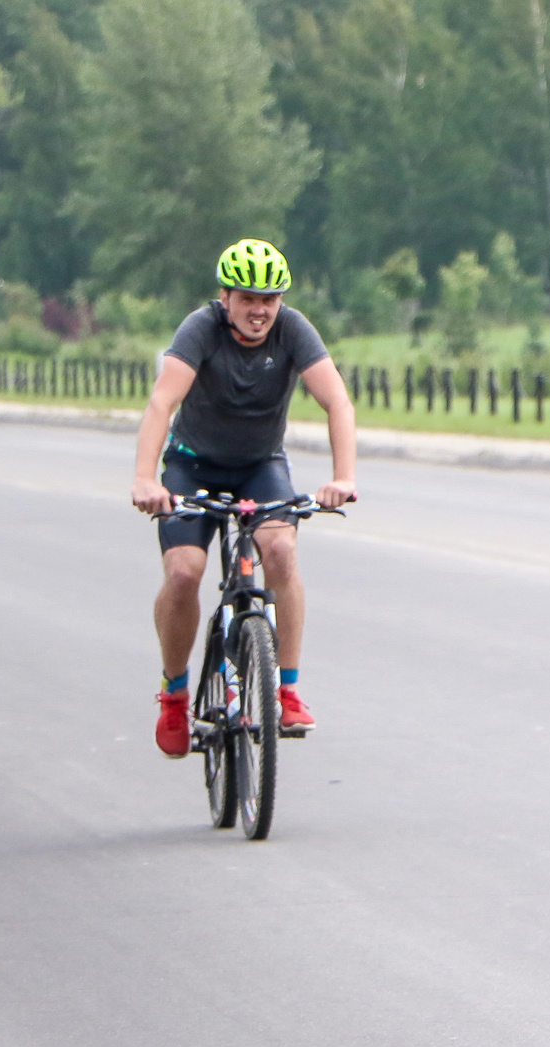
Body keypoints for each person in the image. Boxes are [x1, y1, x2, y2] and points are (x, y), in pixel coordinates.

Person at [130, 239, 358, 758]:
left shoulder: (294, 330)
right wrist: (147, 479)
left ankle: (287, 690)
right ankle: (174, 693)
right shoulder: (201, 330)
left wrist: (342, 476)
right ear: (226, 296)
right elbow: (162, 402)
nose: (260, 310)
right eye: (248, 298)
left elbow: (337, 401)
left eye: (270, 300)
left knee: (281, 552)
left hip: (259, 465)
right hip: (193, 464)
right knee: (185, 572)